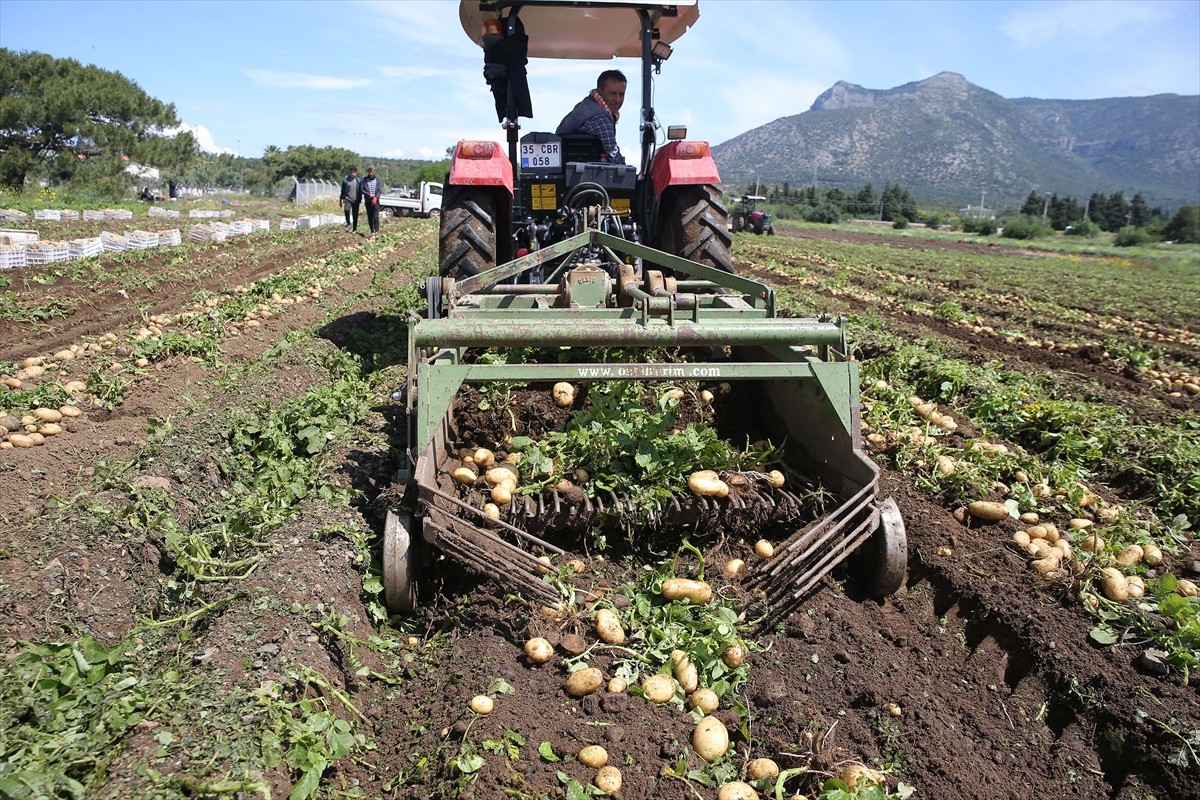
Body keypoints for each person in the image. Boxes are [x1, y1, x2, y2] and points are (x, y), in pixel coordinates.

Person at [556, 70, 627, 165]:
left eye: (621, 94)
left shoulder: (588, 104)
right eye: (612, 93)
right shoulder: (600, 118)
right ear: (600, 92)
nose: (618, 100)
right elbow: (614, 157)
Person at [360, 165, 383, 235]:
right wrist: (369, 194)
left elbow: (379, 190)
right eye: (370, 171)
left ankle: (377, 231)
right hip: (368, 200)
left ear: (374, 172)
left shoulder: (378, 180)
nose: (371, 173)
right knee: (370, 216)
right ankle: (372, 231)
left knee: (375, 216)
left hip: (376, 200)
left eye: (372, 171)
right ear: (368, 172)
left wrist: (376, 197)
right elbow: (362, 190)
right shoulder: (364, 180)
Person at [339, 166, 361, 232]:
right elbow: (342, 191)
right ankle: (348, 223)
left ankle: (354, 228)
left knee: (355, 214)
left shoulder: (358, 181)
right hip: (348, 198)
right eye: (351, 172)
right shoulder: (346, 181)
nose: (352, 174)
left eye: (354, 172)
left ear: (356, 173)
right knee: (346, 210)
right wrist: (341, 199)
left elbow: (361, 189)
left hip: (356, 200)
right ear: (349, 173)